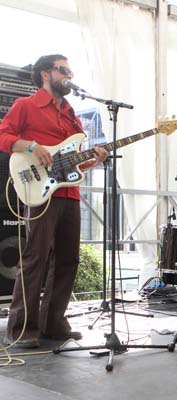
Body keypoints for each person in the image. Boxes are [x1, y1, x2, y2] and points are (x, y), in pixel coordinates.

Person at [0, 54, 108, 348]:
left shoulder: (72, 114)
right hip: (39, 194)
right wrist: (32, 146)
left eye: (70, 70)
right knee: (35, 258)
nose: (69, 75)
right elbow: (3, 135)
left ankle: (54, 323)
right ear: (46, 74)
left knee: (68, 260)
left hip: (69, 194)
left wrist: (95, 160)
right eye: (64, 70)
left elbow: (73, 164)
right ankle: (22, 329)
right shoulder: (26, 105)